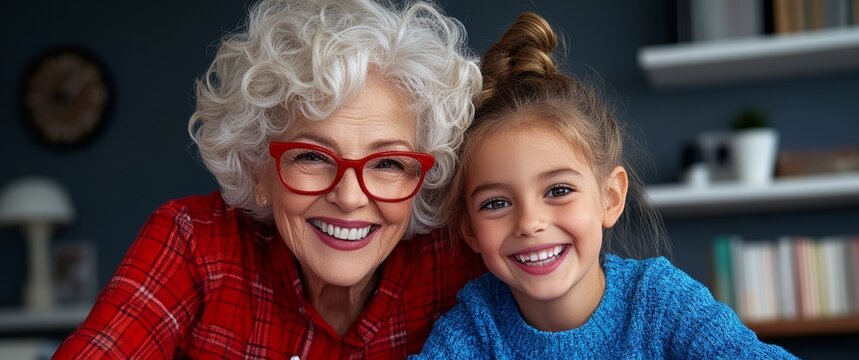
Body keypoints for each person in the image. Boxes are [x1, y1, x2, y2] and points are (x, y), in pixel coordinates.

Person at [53, 0, 484, 358]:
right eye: (313, 157)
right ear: (259, 168)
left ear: (423, 176)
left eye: (388, 163)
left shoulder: (459, 260)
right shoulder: (195, 243)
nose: (350, 197)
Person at [412, 13, 797, 359]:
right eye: (495, 203)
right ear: (469, 230)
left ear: (610, 198)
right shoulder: (475, 327)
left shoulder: (659, 301)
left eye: (558, 190)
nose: (529, 222)